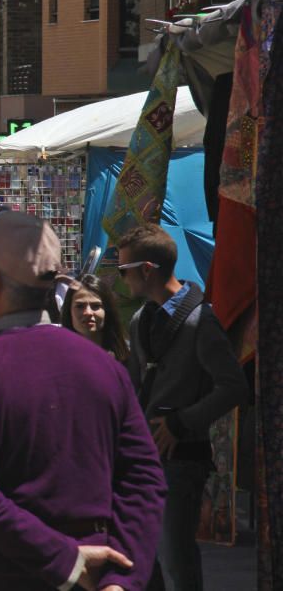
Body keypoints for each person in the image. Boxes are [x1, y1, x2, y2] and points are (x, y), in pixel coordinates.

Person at [0, 207, 167, 590]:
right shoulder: (103, 365)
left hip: (5, 574)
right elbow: (144, 477)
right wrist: (120, 579)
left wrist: (69, 561)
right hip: (99, 566)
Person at [117, 223, 247, 590]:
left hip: (181, 458)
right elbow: (134, 383)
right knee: (145, 558)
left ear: (147, 270)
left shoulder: (200, 321)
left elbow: (233, 387)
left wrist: (182, 422)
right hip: (142, 457)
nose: (122, 279)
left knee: (176, 558)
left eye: (125, 270)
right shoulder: (142, 319)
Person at [60, 274, 130, 363]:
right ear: (68, 310)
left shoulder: (127, 354)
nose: (88, 312)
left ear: (107, 310)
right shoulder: (58, 357)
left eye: (96, 306)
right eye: (80, 306)